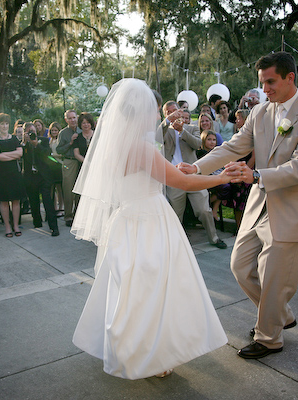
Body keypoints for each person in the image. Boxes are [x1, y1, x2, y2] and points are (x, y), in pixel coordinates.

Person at [71, 78, 228, 380]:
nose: (157, 115)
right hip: (147, 221)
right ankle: (149, 355)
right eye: (154, 110)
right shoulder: (141, 149)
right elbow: (182, 182)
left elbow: (156, 162)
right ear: (141, 112)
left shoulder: (115, 143)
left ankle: (136, 347)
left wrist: (169, 148)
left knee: (131, 290)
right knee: (152, 291)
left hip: (126, 220)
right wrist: (224, 178)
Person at [179, 51, 298, 359]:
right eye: (263, 82)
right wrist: (198, 168)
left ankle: (270, 337)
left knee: (274, 275)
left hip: (289, 209)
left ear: (290, 77)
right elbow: (233, 147)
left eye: (271, 81)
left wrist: (257, 174)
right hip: (259, 206)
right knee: (240, 266)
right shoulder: (260, 112)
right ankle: (280, 316)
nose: (266, 88)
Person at [158, 101, 227, 249]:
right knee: (176, 212)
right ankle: (176, 242)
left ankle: (214, 238)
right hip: (173, 177)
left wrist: (182, 131)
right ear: (166, 115)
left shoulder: (192, 128)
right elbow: (156, 138)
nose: (173, 113)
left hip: (192, 175)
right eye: (169, 112)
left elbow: (198, 144)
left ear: (180, 112)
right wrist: (167, 122)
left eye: (175, 110)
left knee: (204, 210)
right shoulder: (164, 130)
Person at [21, 122, 60, 236]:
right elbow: (20, 155)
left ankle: (54, 227)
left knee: (47, 201)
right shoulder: (23, 144)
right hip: (30, 176)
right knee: (33, 201)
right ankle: (37, 222)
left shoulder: (43, 141)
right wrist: (24, 143)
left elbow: (46, 154)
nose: (31, 133)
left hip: (43, 176)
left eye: (33, 131)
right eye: (28, 132)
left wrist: (36, 144)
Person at [0, 113, 24, 237]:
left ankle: (16, 225)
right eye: (2, 124)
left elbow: (19, 154)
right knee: (4, 202)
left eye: (6, 123)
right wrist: (12, 154)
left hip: (14, 173)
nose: (4, 126)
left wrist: (4, 154)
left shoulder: (14, 138)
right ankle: (7, 227)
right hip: (1, 174)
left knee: (16, 201)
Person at [56, 110, 81, 226]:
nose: (73, 120)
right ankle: (68, 216)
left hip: (81, 162)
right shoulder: (63, 133)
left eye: (74, 117)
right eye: (70, 118)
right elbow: (59, 150)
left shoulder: (82, 130)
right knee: (68, 190)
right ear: (66, 120)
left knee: (80, 190)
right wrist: (70, 142)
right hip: (69, 161)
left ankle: (78, 215)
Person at [47, 122, 64, 215]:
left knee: (60, 188)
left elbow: (62, 153)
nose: (54, 132)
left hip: (59, 164)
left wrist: (54, 155)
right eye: (52, 130)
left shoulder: (60, 141)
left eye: (55, 130)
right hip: (51, 166)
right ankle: (55, 207)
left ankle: (61, 207)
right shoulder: (49, 140)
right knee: (52, 189)